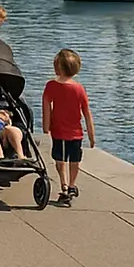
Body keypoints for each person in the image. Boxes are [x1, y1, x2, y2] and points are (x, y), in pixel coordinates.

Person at [43, 49, 95, 204]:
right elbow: (87, 113)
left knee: (60, 160)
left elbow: (46, 107)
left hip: (58, 131)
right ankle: (72, 185)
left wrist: (46, 127)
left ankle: (64, 185)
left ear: (57, 67)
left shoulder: (51, 86)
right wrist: (92, 136)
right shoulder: (79, 88)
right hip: (76, 133)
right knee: (74, 161)